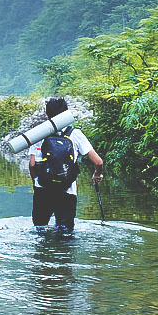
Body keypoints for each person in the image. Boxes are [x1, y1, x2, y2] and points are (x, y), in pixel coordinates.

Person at [29, 97, 104, 234]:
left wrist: (36, 183)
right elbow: (98, 162)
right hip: (67, 190)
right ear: (66, 114)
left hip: (42, 190)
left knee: (40, 230)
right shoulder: (75, 134)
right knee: (65, 233)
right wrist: (97, 174)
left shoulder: (38, 135)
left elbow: (32, 165)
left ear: (47, 114)